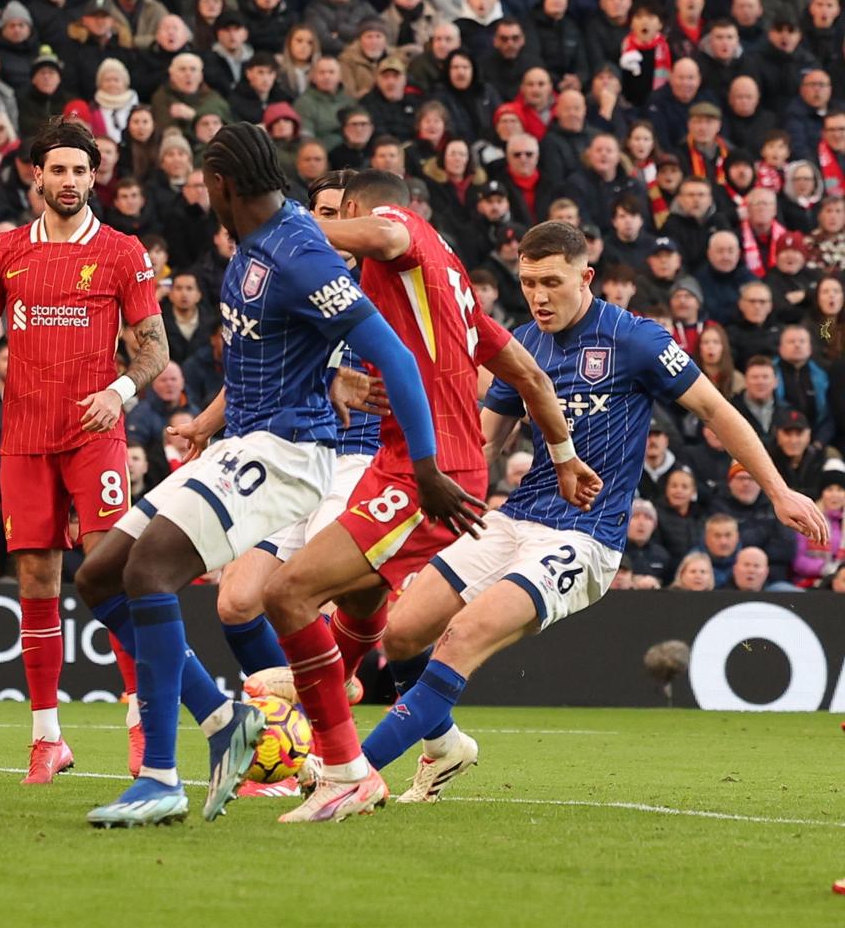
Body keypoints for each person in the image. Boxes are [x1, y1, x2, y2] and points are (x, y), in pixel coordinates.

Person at [356, 221, 829, 801]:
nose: (538, 295)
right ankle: (444, 747)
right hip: (515, 517)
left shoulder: (635, 339)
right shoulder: (523, 343)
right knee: (402, 633)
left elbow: (715, 409)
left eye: (551, 281)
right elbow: (484, 440)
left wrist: (780, 491)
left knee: (462, 636)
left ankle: (352, 771)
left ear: (586, 277)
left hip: (585, 537)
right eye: (528, 282)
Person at [71, 123, 455, 829]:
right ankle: (224, 720)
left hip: (287, 454)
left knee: (152, 570)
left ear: (221, 185)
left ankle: (160, 777)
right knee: (98, 574)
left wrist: (426, 464)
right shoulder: (254, 247)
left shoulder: (304, 252)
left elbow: (395, 355)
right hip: (242, 444)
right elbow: (288, 354)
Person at [260, 168, 594, 824]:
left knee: (286, 591)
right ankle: (378, 718)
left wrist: (277, 225)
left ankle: (341, 766)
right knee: (363, 602)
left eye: (338, 214)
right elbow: (526, 371)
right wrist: (564, 455)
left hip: (423, 472)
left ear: (358, 207)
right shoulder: (452, 280)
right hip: (421, 464)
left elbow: (384, 231)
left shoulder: (403, 231)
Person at [0, 117, 169, 784]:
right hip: (23, 437)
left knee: (113, 572)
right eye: (59, 169)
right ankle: (47, 736)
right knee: (37, 582)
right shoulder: (4, 251)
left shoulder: (124, 252)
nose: (70, 181)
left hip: (94, 434)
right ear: (36, 175)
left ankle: (140, 723)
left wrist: (122, 391)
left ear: (94, 176)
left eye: (81, 170)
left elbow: (153, 349)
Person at [211, 170, 379, 718]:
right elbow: (255, 368)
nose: (332, 226)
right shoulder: (292, 275)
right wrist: (203, 424)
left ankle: (300, 727)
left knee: (302, 593)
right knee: (237, 602)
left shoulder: (389, 283)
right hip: (297, 451)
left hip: (360, 459)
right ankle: (322, 695)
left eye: (342, 214)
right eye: (322, 213)